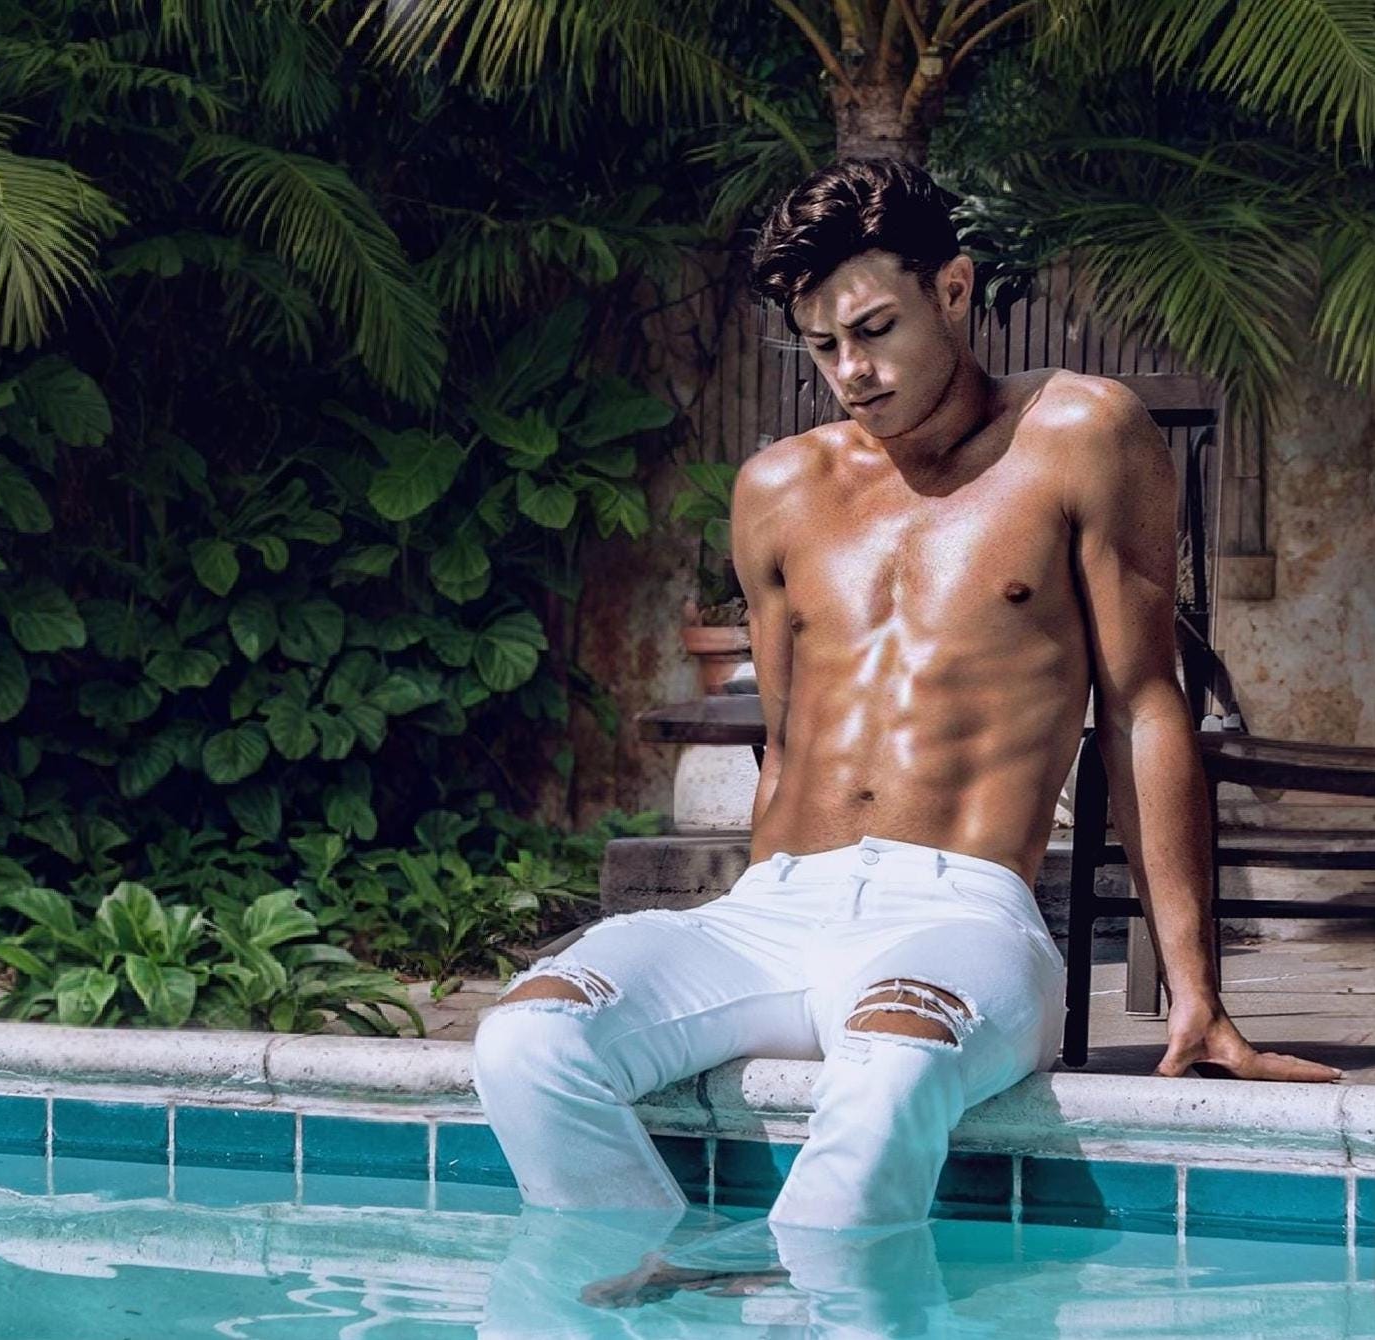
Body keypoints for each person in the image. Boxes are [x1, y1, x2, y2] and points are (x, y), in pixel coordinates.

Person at [468, 156, 1343, 1310]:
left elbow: (1141, 704)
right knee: (526, 1044)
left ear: (954, 289)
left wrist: (1197, 992)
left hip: (955, 914)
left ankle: (776, 1294)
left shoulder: (1077, 432)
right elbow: (787, 742)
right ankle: (640, 1293)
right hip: (770, 909)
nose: (850, 371)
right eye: (821, 345)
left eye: (874, 329)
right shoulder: (775, 487)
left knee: (885, 1071)